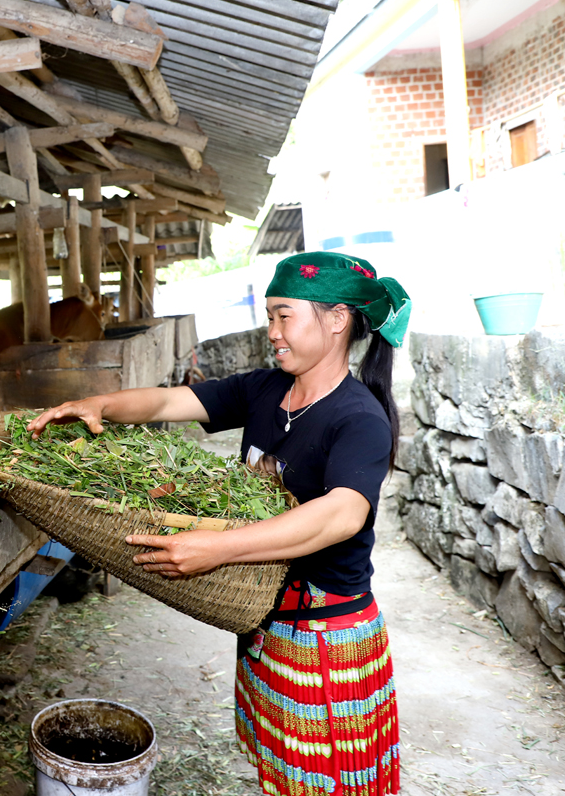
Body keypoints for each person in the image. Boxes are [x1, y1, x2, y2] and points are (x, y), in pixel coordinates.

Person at [27, 251, 410, 796]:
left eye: (284, 316)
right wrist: (99, 403)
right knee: (280, 772)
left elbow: (342, 514)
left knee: (327, 783)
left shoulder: (357, 417)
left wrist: (221, 547)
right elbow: (166, 402)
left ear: (336, 319)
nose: (271, 332)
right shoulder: (265, 389)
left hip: (326, 640)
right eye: (269, 316)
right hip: (265, 620)